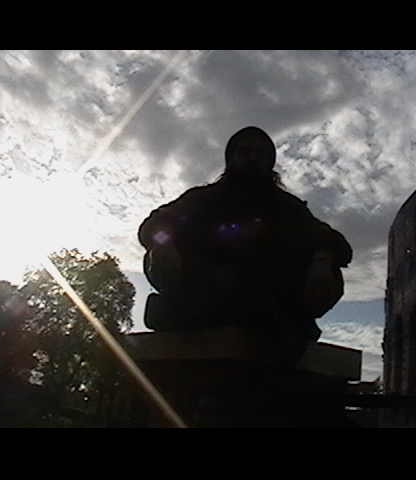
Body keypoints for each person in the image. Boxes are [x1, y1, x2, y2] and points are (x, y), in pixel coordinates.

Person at [138, 127, 352, 361]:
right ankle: (254, 315)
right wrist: (164, 243)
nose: (253, 158)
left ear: (270, 163)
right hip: (208, 284)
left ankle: (254, 314)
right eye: (245, 151)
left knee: (326, 271)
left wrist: (322, 259)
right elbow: (158, 221)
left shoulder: (289, 209)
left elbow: (329, 239)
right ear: (231, 158)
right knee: (168, 260)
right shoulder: (202, 199)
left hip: (269, 288)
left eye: (260, 154)